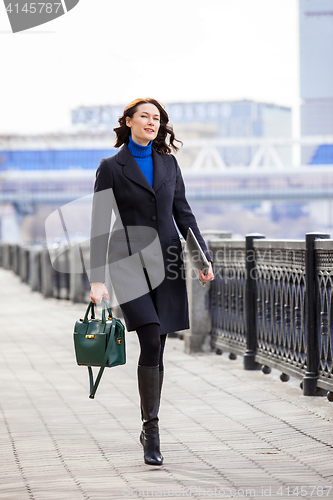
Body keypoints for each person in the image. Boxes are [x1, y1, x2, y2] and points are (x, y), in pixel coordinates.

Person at [89, 98, 214, 466]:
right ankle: (153, 431)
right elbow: (98, 226)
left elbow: (184, 215)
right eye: (144, 116)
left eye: (156, 118)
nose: (151, 122)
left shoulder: (169, 164)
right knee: (148, 336)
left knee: (157, 346)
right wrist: (97, 280)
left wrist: (202, 259)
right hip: (127, 264)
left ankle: (148, 426)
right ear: (128, 122)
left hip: (168, 263)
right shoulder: (111, 167)